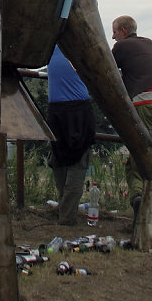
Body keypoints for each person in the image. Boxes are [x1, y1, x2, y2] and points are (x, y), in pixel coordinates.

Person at [111, 15, 152, 220]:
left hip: (143, 102)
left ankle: (137, 199)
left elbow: (105, 68)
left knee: (138, 154)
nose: (113, 36)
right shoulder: (149, 43)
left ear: (124, 32)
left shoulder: (121, 47)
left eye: (115, 32)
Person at [46, 45, 96, 226]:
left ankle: (66, 214)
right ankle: (66, 212)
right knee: (66, 160)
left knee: (68, 160)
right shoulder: (70, 43)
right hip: (71, 109)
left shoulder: (56, 43)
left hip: (67, 109)